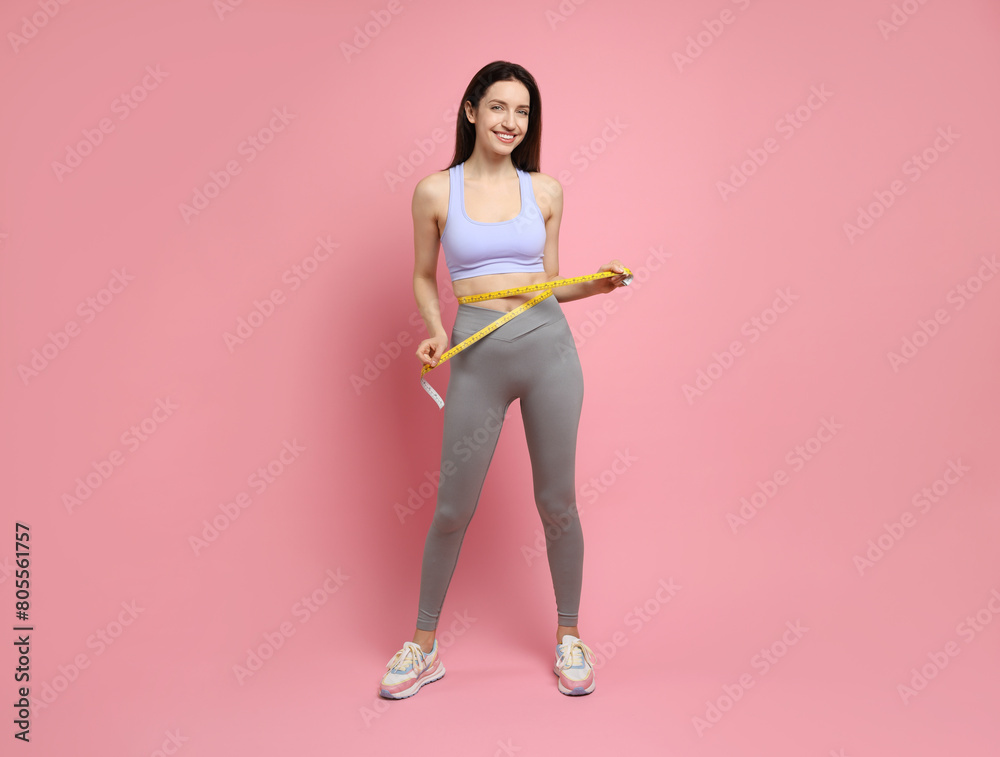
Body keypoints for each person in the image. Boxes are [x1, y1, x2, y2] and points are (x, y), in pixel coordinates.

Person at [378, 60, 630, 699]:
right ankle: (422, 648)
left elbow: (545, 282)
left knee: (557, 503)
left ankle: (569, 635)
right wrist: (436, 326)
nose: (511, 122)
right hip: (476, 354)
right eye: (498, 108)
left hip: (549, 351)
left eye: (522, 112)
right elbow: (420, 275)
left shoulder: (545, 191)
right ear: (471, 111)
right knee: (452, 508)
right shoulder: (436, 191)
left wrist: (594, 286)